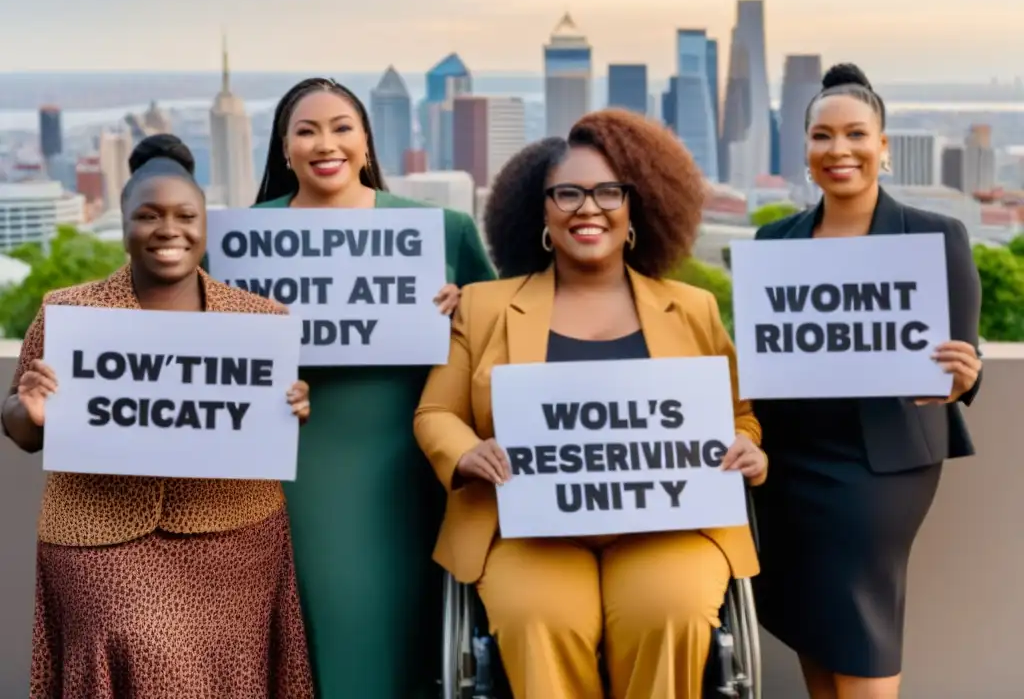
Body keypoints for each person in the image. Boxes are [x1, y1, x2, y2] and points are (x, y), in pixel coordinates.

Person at [414, 109, 768, 699]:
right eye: (568, 193)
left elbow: (739, 416)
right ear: (542, 211)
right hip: (527, 529)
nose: (588, 208)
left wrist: (749, 448)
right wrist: (468, 452)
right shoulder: (482, 307)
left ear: (636, 206)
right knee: (538, 618)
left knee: (672, 610)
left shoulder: (693, 308)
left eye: (608, 191)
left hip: (667, 528)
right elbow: (435, 415)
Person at [1, 134, 315, 699]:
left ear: (204, 224)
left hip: (233, 536)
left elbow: (269, 425)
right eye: (148, 215)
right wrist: (30, 410)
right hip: (98, 535)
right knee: (133, 643)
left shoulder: (260, 319)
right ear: (122, 224)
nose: (168, 229)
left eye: (184, 215)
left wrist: (292, 408)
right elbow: (20, 430)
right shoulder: (68, 312)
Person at [250, 78, 495, 698]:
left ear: (366, 141)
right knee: (320, 626)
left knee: (408, 634)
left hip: (414, 467)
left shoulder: (444, 230)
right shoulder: (242, 238)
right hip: (294, 469)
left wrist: (467, 309)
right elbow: (208, 346)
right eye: (306, 130)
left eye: (341, 127)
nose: (324, 142)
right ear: (284, 149)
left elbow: (503, 343)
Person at [750, 64, 983, 699]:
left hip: (883, 465)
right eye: (821, 136)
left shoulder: (935, 236)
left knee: (860, 616)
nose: (838, 150)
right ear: (805, 149)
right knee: (817, 623)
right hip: (789, 465)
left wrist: (963, 378)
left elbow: (962, 361)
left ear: (882, 147)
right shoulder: (774, 241)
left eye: (856, 134)